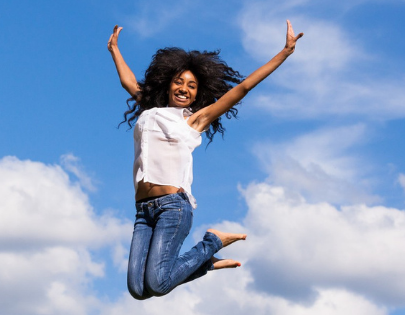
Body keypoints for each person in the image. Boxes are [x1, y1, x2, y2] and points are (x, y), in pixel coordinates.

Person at [108, 20, 302, 300]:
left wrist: (284, 53)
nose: (184, 88)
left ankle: (213, 242)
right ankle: (205, 264)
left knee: (159, 284)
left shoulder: (194, 121)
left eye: (192, 85)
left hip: (172, 208)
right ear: (168, 83)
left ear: (198, 93)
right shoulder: (151, 110)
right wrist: (114, 49)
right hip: (143, 210)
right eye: (179, 81)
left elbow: (243, 87)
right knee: (138, 290)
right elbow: (128, 81)